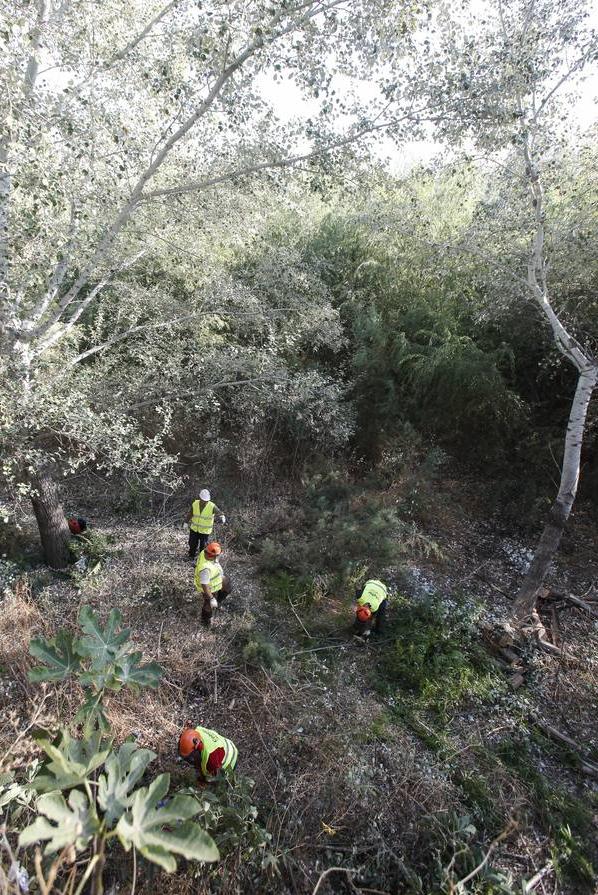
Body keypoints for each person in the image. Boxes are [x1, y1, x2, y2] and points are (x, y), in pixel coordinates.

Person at [194, 541, 232, 626]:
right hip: (209, 587)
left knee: (227, 584)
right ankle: (205, 621)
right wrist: (211, 598)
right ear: (213, 556)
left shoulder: (206, 553)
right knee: (208, 605)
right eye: (218, 555)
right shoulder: (205, 569)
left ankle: (218, 602)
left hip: (215, 579)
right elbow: (204, 585)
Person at [186, 488, 226, 560]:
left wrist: (222, 517)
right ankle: (191, 556)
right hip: (194, 529)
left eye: (206, 500)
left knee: (203, 546)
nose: (204, 502)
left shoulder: (212, 506)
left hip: (205, 531)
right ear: (200, 498)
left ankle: (201, 559)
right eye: (203, 500)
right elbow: (190, 513)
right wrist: (185, 522)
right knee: (192, 543)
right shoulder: (195, 504)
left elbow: (219, 512)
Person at [353, 578, 388, 642]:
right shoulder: (360, 598)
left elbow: (371, 618)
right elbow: (358, 588)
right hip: (370, 583)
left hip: (383, 590)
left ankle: (378, 632)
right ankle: (357, 627)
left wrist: (367, 629)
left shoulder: (375, 607)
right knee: (363, 618)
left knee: (380, 616)